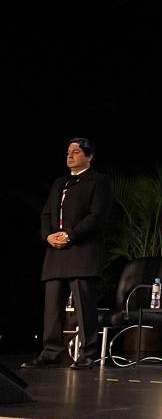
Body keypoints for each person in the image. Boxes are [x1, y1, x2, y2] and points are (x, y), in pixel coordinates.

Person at [23, 138, 112, 370]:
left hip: (82, 251)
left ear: (89, 156)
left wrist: (70, 236)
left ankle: (87, 352)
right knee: (52, 306)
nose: (70, 156)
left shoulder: (98, 181)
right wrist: (48, 236)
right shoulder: (59, 183)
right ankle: (52, 351)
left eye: (76, 152)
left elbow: (97, 216)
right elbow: (46, 214)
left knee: (84, 305)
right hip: (56, 253)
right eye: (68, 152)